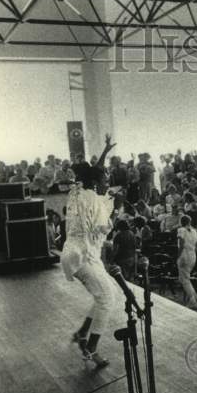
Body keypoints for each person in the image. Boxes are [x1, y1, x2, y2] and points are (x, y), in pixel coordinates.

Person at [62, 134, 119, 369]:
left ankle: (82, 333)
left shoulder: (76, 192)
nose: (107, 180)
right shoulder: (94, 201)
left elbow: (94, 171)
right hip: (83, 256)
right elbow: (102, 229)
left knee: (104, 293)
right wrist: (115, 213)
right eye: (105, 178)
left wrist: (105, 151)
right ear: (96, 183)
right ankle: (91, 349)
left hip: (73, 253)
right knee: (108, 298)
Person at [176, 215, 197, 309]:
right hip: (192, 256)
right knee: (186, 277)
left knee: (184, 279)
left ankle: (192, 301)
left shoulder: (181, 230)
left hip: (184, 255)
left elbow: (181, 245)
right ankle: (195, 295)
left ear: (181, 222)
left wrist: (178, 256)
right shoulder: (194, 231)